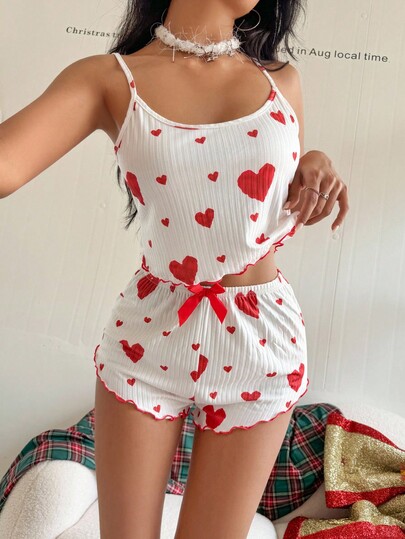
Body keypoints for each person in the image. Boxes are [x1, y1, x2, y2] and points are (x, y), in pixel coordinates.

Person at [0, 0, 349, 537]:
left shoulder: (281, 80)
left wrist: (314, 160)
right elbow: (7, 166)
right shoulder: (110, 79)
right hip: (152, 331)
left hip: (259, 340)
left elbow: (264, 183)